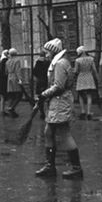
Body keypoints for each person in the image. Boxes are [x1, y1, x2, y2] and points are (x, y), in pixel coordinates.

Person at [35, 38, 83, 180]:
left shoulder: (60, 64)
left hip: (60, 101)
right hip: (57, 101)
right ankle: (50, 166)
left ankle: (76, 168)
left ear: (53, 51)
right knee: (48, 132)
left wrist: (43, 95)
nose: (46, 55)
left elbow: (58, 86)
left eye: (47, 52)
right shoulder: (60, 62)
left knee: (64, 133)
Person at [74, 46, 99, 120]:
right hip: (89, 77)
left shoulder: (77, 60)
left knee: (81, 95)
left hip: (81, 77)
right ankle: (89, 112)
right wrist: (97, 77)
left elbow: (76, 71)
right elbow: (94, 70)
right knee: (89, 95)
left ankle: (83, 111)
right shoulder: (91, 59)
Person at [32, 50, 50, 119]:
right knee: (47, 96)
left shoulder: (38, 62)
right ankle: (48, 111)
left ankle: (42, 112)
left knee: (40, 97)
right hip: (46, 80)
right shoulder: (47, 62)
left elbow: (34, 72)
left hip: (39, 81)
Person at [4, 48, 22, 118]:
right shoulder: (17, 60)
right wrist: (20, 79)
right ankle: (12, 107)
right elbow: (18, 70)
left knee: (11, 95)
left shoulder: (7, 61)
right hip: (15, 78)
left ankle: (10, 107)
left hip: (9, 78)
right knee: (19, 94)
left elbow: (6, 71)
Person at [0, 50, 9, 115]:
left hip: (0, 80)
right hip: (5, 80)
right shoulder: (5, 61)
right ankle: (8, 108)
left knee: (3, 96)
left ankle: (2, 109)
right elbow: (6, 71)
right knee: (7, 95)